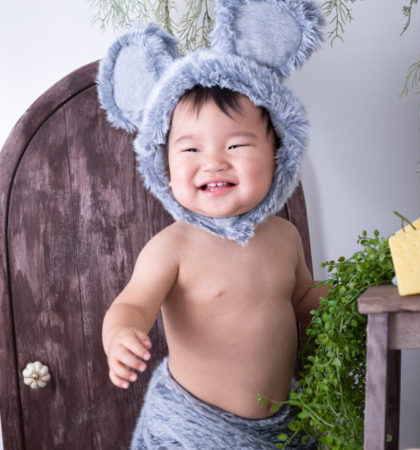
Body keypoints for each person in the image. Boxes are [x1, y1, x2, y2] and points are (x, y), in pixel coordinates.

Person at [97, 0, 326, 446]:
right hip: (194, 429)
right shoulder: (173, 247)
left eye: (236, 146)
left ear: (278, 154)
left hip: (279, 429)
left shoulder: (284, 236)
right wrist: (120, 335)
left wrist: (351, 303)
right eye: (190, 149)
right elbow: (133, 305)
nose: (213, 162)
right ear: (164, 165)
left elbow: (302, 298)